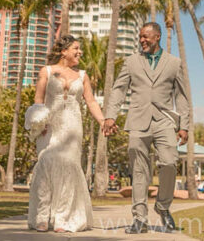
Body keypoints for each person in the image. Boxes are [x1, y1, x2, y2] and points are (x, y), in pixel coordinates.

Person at [102, 22, 191, 234]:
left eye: (145, 37)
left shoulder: (174, 63)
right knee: (139, 171)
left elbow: (182, 96)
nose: (142, 40)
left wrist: (184, 125)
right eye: (140, 37)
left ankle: (163, 207)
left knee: (169, 162)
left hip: (165, 121)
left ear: (157, 36)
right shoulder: (131, 61)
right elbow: (118, 89)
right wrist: (110, 116)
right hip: (137, 122)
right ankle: (139, 219)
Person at [25, 34, 107, 232]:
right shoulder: (47, 71)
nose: (80, 52)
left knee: (69, 169)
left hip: (72, 126)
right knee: (46, 165)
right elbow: (38, 99)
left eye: (80, 49)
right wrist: (39, 120)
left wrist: (103, 121)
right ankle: (42, 217)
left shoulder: (82, 75)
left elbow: (91, 102)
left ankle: (62, 218)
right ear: (64, 51)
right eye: (76, 48)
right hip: (50, 126)